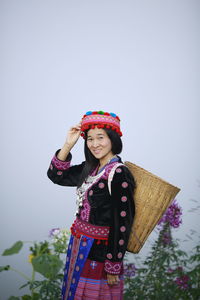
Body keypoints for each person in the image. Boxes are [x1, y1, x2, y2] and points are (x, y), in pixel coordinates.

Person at [47, 110, 135, 300]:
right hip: (79, 247)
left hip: (101, 255)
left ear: (112, 139)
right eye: (90, 139)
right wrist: (68, 144)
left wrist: (113, 265)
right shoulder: (90, 168)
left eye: (100, 138)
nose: (95, 144)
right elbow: (56, 176)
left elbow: (122, 223)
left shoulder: (119, 173)